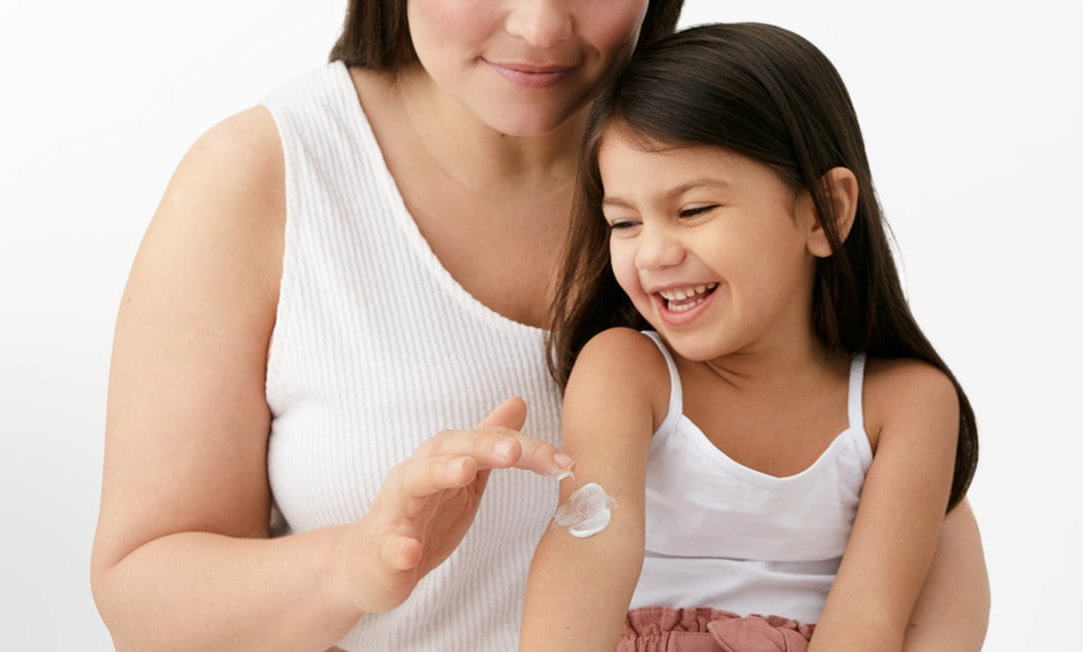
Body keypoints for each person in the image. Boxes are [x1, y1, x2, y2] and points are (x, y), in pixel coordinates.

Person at [89, 2, 989, 650]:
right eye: (625, 221)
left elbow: (888, 516)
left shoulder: (711, 139)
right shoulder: (264, 178)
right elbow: (142, 602)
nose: (542, 26)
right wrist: (359, 565)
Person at [516, 23, 978, 651]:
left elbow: (870, 616)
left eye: (694, 210)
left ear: (823, 212)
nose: (652, 252)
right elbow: (589, 549)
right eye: (623, 222)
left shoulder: (908, 404)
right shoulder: (627, 370)